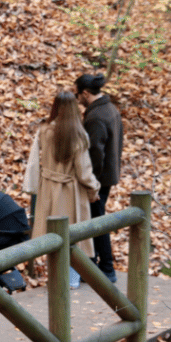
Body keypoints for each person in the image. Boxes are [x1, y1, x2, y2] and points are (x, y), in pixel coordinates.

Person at [23, 92, 101, 289]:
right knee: (73, 236)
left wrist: (32, 186)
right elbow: (84, 171)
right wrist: (94, 189)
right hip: (70, 190)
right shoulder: (78, 134)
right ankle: (71, 279)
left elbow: (34, 162)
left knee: (52, 235)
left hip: (48, 187)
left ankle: (55, 277)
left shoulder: (44, 130)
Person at [76, 73, 124, 284]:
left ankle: (105, 268)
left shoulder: (96, 117)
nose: (77, 99)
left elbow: (94, 153)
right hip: (108, 175)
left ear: (86, 93)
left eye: (78, 95)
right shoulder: (110, 108)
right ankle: (97, 264)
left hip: (98, 179)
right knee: (97, 220)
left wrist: (90, 183)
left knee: (97, 222)